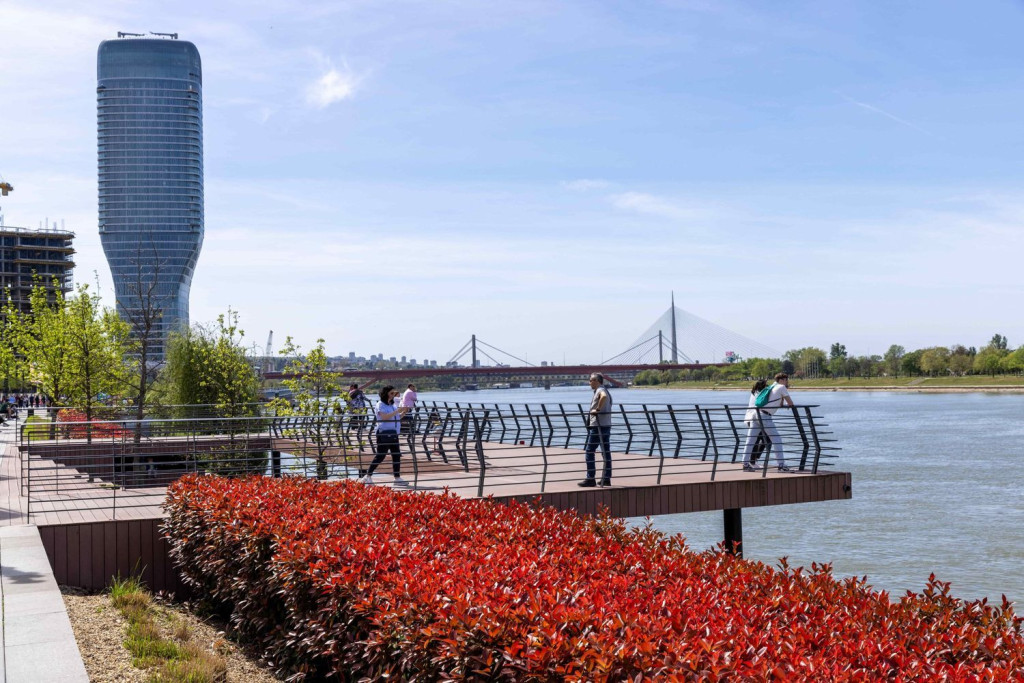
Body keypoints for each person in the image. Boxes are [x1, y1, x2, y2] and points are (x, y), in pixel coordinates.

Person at [741, 372, 795, 473]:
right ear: (782, 380)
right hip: (765, 416)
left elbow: (778, 402)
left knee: (750, 440)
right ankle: (782, 465)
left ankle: (745, 464)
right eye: (786, 379)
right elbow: (790, 403)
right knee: (776, 439)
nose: (787, 382)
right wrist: (790, 405)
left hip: (755, 413)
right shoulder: (781, 387)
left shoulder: (772, 386)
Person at [359, 385, 410, 486]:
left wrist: (403, 412)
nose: (393, 395)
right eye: (391, 393)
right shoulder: (380, 404)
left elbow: (396, 417)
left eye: (394, 393)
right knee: (381, 455)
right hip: (384, 433)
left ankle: (397, 478)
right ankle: (367, 476)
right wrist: (397, 411)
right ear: (385, 393)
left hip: (393, 433)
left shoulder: (392, 405)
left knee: (396, 455)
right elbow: (384, 417)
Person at [579, 373, 613, 487]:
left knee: (589, 451)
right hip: (606, 424)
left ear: (597, 381)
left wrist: (597, 409)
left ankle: (590, 478)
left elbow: (603, 396)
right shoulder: (606, 390)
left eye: (591, 380)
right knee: (605, 452)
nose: (589, 383)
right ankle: (607, 478)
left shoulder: (600, 390)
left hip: (598, 426)